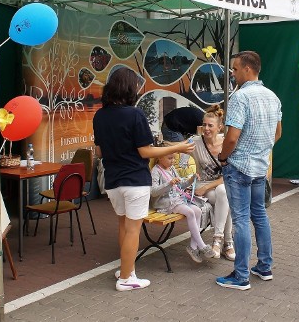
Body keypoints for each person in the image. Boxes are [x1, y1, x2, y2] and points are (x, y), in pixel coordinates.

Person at [93, 68, 195, 292]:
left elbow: (99, 152)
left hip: (112, 181)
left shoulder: (100, 115)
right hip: (135, 181)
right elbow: (145, 152)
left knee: (123, 225)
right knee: (132, 229)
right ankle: (127, 279)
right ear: (130, 88)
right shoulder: (135, 115)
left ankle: (126, 269)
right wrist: (178, 147)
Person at [215, 51, 282, 290]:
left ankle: (241, 275)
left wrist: (222, 157)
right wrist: (263, 150)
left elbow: (232, 137)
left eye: (234, 69)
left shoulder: (240, 98)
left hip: (239, 166)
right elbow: (278, 132)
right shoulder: (272, 97)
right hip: (259, 167)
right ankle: (264, 267)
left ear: (247, 69)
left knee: (241, 219)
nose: (232, 73)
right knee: (259, 216)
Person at [150, 150, 216, 262]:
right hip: (165, 203)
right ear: (160, 158)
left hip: (177, 199)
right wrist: (169, 183)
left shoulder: (171, 169)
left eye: (173, 158)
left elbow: (181, 185)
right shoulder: (156, 171)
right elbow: (154, 192)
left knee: (198, 211)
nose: (173, 161)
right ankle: (201, 245)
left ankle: (193, 247)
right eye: (170, 158)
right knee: (190, 212)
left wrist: (192, 179)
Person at [191, 105, 235, 260]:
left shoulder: (226, 144)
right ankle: (227, 244)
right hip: (202, 184)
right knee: (226, 198)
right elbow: (177, 148)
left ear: (220, 127)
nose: (206, 128)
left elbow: (229, 174)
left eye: (210, 125)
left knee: (224, 192)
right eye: (204, 125)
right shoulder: (196, 142)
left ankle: (218, 240)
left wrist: (208, 187)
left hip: (216, 186)